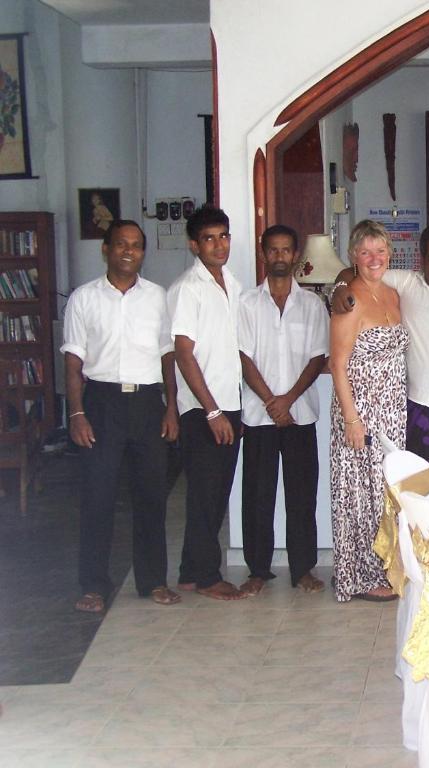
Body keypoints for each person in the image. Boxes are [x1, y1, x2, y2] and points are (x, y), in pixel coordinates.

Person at [63, 220, 180, 613]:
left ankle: (153, 581)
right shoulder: (83, 298)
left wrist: (171, 406)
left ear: (143, 253)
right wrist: (77, 413)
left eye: (136, 245)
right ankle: (93, 585)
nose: (128, 251)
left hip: (147, 404)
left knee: (151, 496)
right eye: (121, 244)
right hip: (102, 403)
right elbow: (74, 361)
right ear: (106, 249)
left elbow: (168, 355)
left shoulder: (158, 297)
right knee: (98, 496)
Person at [332, 224, 429, 517]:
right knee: (416, 493)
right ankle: (418, 561)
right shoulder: (406, 284)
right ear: (421, 260)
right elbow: (357, 273)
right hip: (415, 408)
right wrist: (340, 288)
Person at [237, 225, 328, 596]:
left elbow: (317, 357)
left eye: (286, 250)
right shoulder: (245, 303)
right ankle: (258, 570)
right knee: (258, 495)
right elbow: (243, 357)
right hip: (259, 416)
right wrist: (272, 402)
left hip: (299, 414)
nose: (279, 257)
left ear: (296, 256)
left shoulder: (311, 304)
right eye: (272, 250)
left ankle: (302, 569)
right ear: (263, 254)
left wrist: (287, 400)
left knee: (301, 496)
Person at [167, 204, 248, 601]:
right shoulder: (187, 288)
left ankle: (187, 572)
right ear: (194, 245)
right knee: (206, 494)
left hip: (228, 402)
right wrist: (213, 411)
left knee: (214, 493)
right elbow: (184, 353)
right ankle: (206, 577)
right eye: (210, 239)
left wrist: (232, 407)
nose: (219, 245)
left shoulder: (232, 282)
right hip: (203, 409)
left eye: (224, 236)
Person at [329, 220, 408, 602]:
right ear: (354, 257)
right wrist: (351, 418)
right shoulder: (349, 298)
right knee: (360, 494)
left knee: (387, 491)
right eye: (365, 252)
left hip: (392, 409)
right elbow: (337, 364)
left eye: (380, 251)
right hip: (360, 408)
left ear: (389, 254)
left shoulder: (394, 295)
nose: (374, 258)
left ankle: (387, 567)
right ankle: (360, 575)